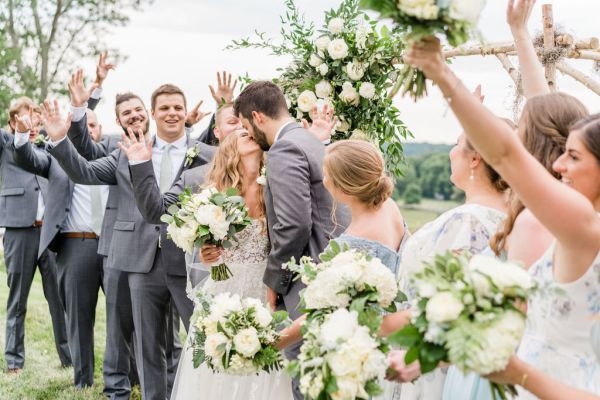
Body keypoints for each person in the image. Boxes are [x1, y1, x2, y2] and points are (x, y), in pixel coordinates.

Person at [404, 31, 600, 398]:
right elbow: (543, 111)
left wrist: (443, 75)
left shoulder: (574, 226)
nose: (559, 164)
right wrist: (520, 36)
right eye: (562, 152)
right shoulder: (575, 222)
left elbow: (509, 153)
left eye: (573, 156)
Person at [41, 83, 215, 399]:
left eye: (178, 107)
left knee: (200, 339)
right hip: (141, 261)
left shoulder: (206, 155)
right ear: (154, 113)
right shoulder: (125, 153)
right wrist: (58, 139)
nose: (172, 113)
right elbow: (84, 171)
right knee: (148, 346)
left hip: (190, 261)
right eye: (164, 108)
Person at [233, 80, 349, 400]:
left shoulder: (284, 149)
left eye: (245, 125)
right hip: (332, 271)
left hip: (308, 282)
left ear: (257, 117)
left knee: (309, 382)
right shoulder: (310, 141)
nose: (249, 134)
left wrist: (274, 281)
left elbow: (294, 225)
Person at [393, 119, 510, 400]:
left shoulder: (465, 223)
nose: (450, 151)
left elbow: (445, 305)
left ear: (475, 159)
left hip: (432, 365)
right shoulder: (506, 217)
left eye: (457, 144)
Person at [489, 0, 588, 268]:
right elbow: (541, 106)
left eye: (520, 129)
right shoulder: (557, 194)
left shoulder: (543, 215)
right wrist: (519, 32)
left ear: (536, 141)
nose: (513, 135)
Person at [1, 98, 71, 374]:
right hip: (19, 230)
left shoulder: (49, 147)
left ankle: (68, 358)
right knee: (17, 300)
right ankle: (14, 361)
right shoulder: (6, 144)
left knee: (58, 299)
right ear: (12, 123)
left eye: (35, 121)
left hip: (50, 233)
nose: (31, 125)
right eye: (24, 120)